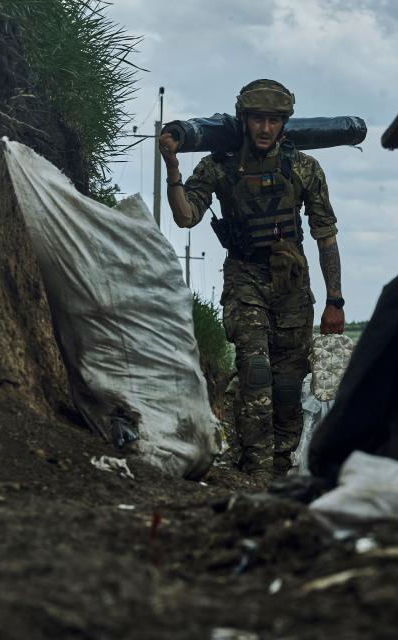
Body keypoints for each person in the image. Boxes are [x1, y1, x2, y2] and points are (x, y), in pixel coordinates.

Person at [159, 79, 345, 482]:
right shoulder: (219, 163)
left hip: (292, 284)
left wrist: (336, 300)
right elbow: (186, 215)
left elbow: (325, 235)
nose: (265, 129)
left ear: (284, 124)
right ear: (243, 120)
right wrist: (173, 169)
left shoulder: (304, 168)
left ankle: (278, 469)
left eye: (274, 121)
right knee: (256, 368)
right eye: (258, 119)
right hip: (245, 276)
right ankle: (255, 471)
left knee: (288, 384)